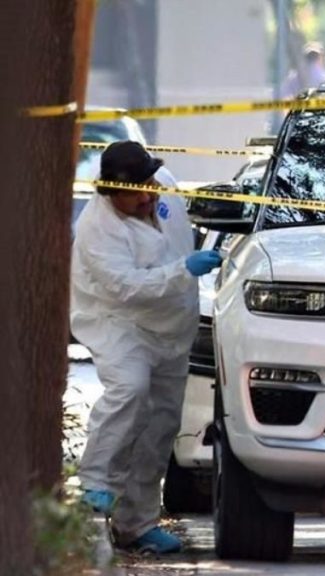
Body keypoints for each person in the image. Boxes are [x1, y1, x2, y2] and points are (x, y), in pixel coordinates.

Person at [71, 141, 222, 554]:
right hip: (121, 324)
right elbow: (127, 288)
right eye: (133, 193)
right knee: (130, 389)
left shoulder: (163, 185)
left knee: (161, 426)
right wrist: (183, 270)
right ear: (108, 193)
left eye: (148, 184)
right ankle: (94, 487)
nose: (146, 196)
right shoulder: (97, 230)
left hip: (173, 329)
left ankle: (136, 524)